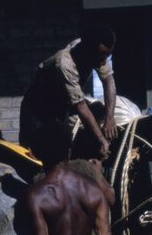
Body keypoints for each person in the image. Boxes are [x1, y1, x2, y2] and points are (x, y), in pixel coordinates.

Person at [19, 24, 119, 157]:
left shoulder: (97, 52)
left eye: (108, 56)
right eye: (102, 57)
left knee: (64, 148)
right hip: (38, 109)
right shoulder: (65, 64)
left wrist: (110, 118)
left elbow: (109, 81)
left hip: (61, 105)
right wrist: (102, 141)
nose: (104, 61)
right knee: (36, 154)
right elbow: (81, 106)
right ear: (89, 51)